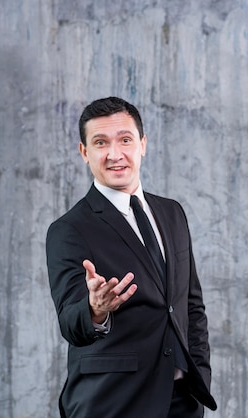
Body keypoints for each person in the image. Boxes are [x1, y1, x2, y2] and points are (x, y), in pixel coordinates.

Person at [46, 96, 217, 418]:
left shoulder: (172, 212)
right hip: (112, 402)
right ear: (84, 152)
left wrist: (199, 373)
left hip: (181, 400)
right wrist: (95, 310)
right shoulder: (68, 229)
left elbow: (189, 305)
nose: (115, 154)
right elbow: (71, 322)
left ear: (143, 144)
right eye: (100, 143)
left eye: (125, 140)